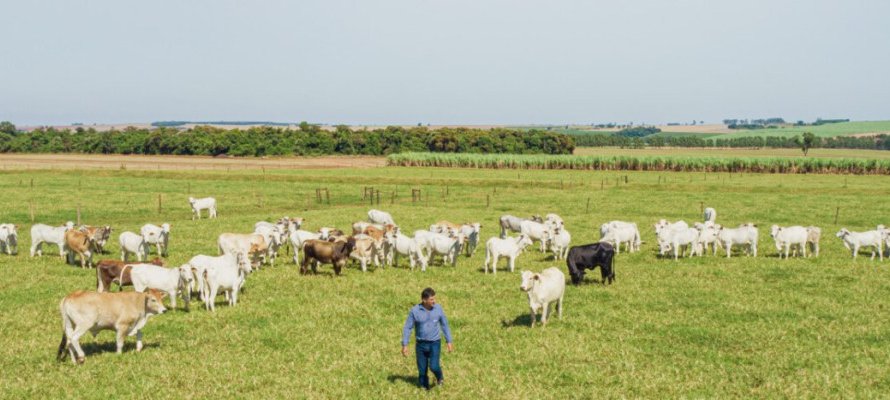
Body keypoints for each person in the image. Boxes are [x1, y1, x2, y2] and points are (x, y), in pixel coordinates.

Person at [401, 287, 454, 390]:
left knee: (434, 366)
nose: (434, 301)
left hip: (435, 343)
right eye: (431, 299)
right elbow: (408, 327)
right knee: (422, 370)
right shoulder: (415, 311)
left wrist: (449, 341)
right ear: (424, 300)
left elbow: (444, 325)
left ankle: (440, 377)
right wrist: (405, 344)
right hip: (420, 344)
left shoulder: (438, 309)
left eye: (434, 299)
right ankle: (425, 389)